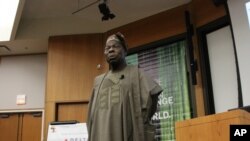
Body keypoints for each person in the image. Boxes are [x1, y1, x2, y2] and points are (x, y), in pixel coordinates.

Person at [87, 32, 163, 141]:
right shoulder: (98, 81)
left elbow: (153, 95)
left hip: (127, 133)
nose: (111, 50)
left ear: (125, 50)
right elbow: (91, 116)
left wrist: (141, 121)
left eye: (116, 46)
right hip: (101, 134)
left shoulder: (136, 73)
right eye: (107, 48)